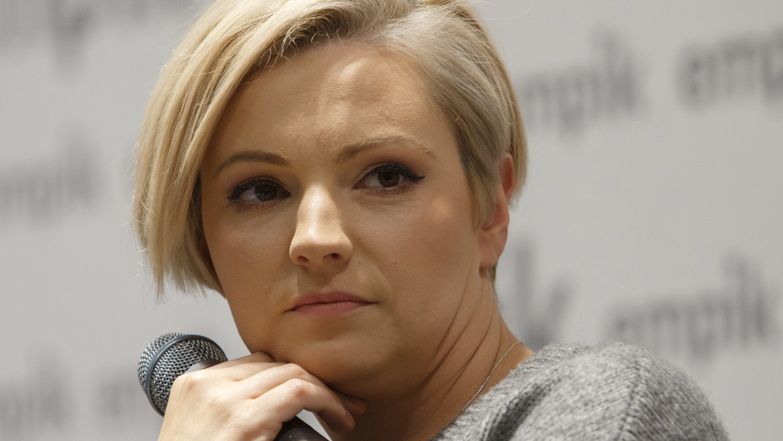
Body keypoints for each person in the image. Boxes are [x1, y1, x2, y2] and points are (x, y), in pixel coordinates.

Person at [133, 1, 730, 440]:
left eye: (386, 177)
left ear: (490, 210)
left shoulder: (603, 406)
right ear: (204, 240)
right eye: (260, 191)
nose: (315, 239)